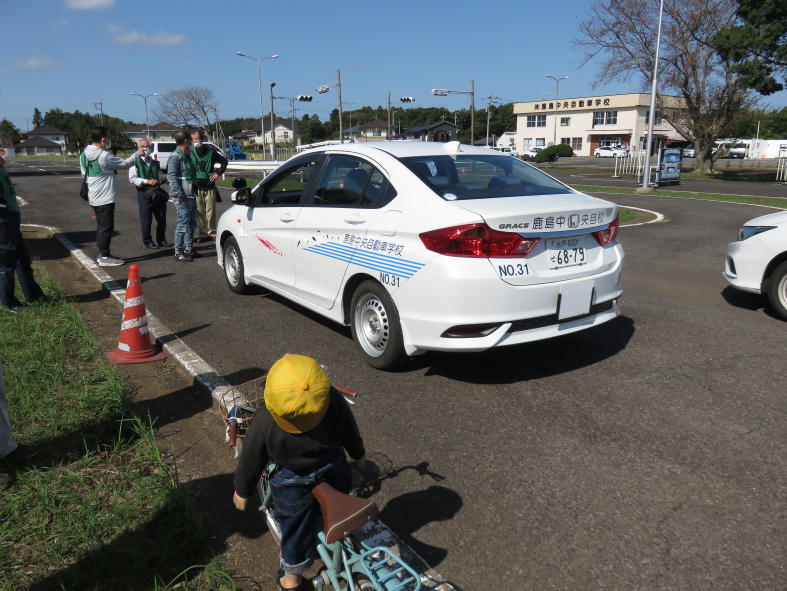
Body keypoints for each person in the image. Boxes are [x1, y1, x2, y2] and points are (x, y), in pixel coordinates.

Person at [232, 354, 366, 591]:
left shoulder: (266, 418)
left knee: (294, 527)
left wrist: (242, 490)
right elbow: (349, 430)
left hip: (292, 480)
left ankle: (291, 578)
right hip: (334, 468)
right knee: (332, 507)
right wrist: (358, 453)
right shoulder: (331, 398)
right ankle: (333, 540)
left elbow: (251, 456)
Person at [80, 127, 144, 266]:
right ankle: (104, 256)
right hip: (104, 196)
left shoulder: (84, 153)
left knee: (102, 226)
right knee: (106, 227)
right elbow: (125, 164)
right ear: (103, 140)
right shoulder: (104, 155)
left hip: (93, 194)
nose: (109, 141)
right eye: (108, 138)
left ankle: (103, 253)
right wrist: (137, 154)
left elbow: (83, 172)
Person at [0, 152, 44, 311]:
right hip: (3, 220)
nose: (4, 154)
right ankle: (9, 302)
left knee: (22, 258)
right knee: (6, 262)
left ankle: (33, 294)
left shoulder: (2, 167)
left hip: (11, 218)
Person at [128, 139, 169, 249]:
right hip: (144, 192)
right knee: (146, 219)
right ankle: (148, 241)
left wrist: (163, 179)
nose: (145, 148)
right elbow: (132, 179)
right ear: (138, 148)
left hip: (157, 191)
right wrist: (147, 181)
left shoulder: (154, 161)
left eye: (147, 146)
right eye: (142, 146)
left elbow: (156, 175)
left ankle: (162, 240)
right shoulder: (134, 161)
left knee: (161, 218)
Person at [189, 129, 228, 242]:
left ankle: (212, 232)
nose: (195, 141)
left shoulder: (210, 151)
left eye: (197, 138)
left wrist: (218, 173)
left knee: (210, 211)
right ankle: (202, 233)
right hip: (196, 185)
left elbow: (224, 161)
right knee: (199, 212)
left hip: (209, 184)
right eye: (193, 139)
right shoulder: (190, 152)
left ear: (202, 139)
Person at [166, 131, 197, 262]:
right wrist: (179, 194)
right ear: (185, 141)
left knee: (191, 223)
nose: (192, 143)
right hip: (182, 196)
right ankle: (178, 252)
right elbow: (171, 177)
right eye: (190, 140)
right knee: (183, 224)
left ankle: (188, 249)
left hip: (190, 194)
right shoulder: (175, 156)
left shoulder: (187, 155)